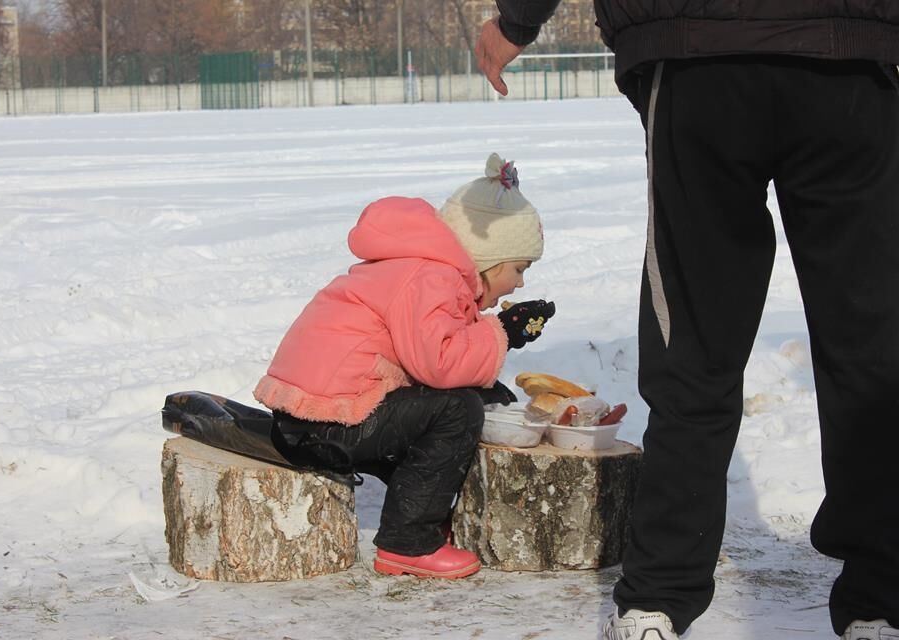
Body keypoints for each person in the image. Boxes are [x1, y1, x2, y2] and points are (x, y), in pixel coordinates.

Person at [476, 3, 899, 639]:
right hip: (848, 54)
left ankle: (659, 596)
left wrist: (516, 22)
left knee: (694, 343)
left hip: (703, 52)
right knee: (869, 343)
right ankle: (881, 598)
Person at [254, 153, 556, 580]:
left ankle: (433, 512)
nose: (520, 282)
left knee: (475, 399)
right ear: (489, 259)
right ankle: (407, 541)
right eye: (519, 268)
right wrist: (501, 331)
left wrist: (496, 336)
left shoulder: (426, 271)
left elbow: (433, 354)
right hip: (326, 422)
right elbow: (439, 364)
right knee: (457, 410)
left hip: (319, 411)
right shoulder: (432, 278)